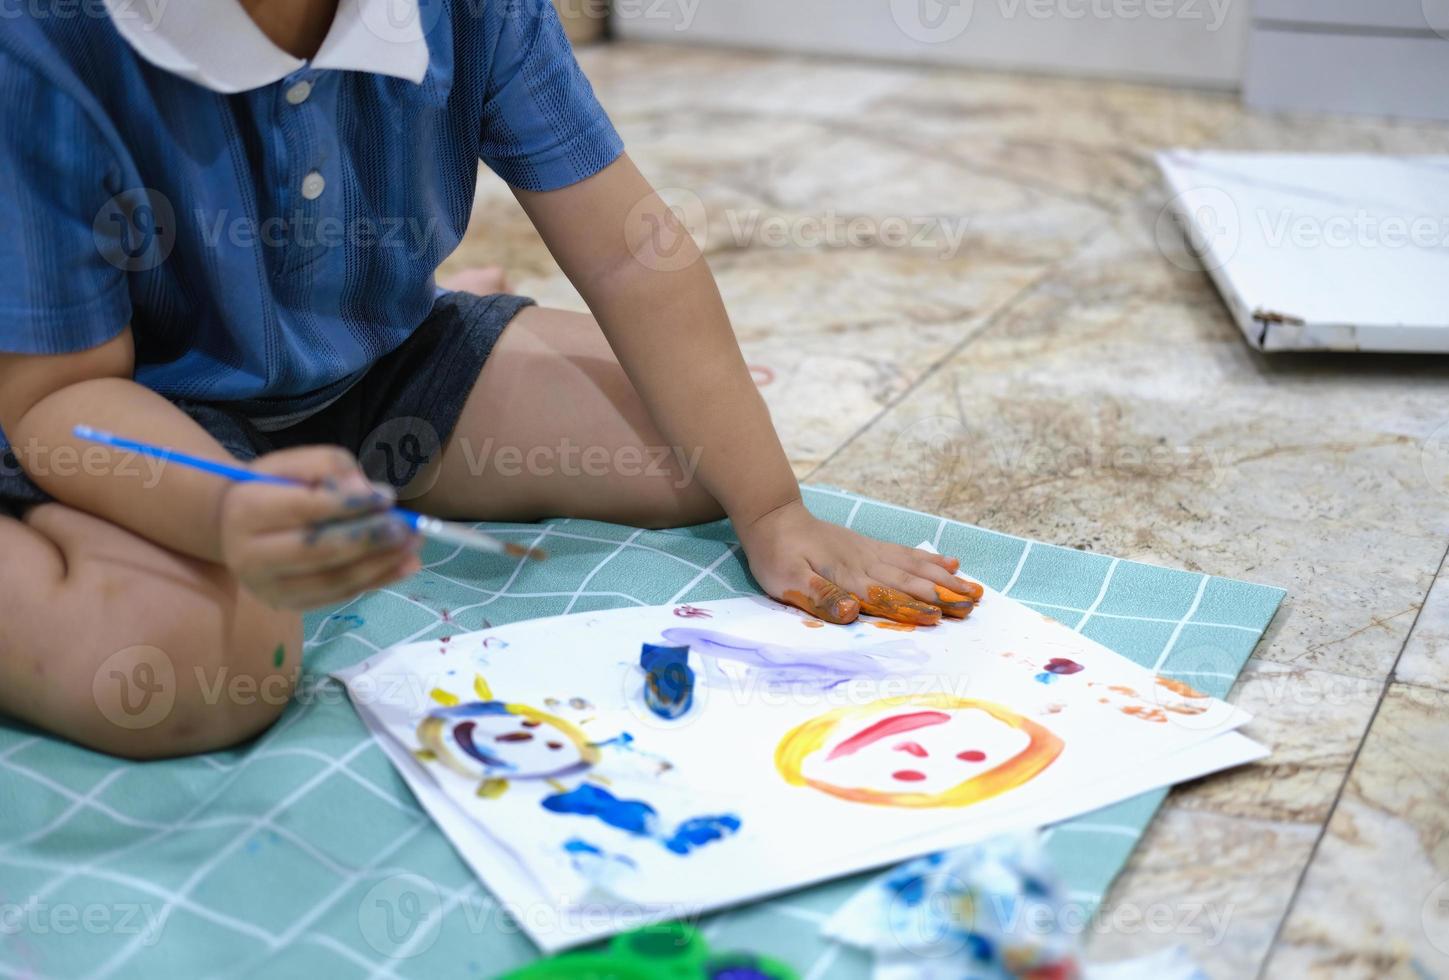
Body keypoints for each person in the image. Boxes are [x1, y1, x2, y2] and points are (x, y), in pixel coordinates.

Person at [0, 0, 981, 759]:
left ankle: (340, 346)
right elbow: (56, 402)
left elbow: (636, 253)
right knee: (206, 671)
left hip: (368, 370)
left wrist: (773, 510)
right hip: (109, 418)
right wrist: (228, 511)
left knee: (691, 457)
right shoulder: (44, 41)